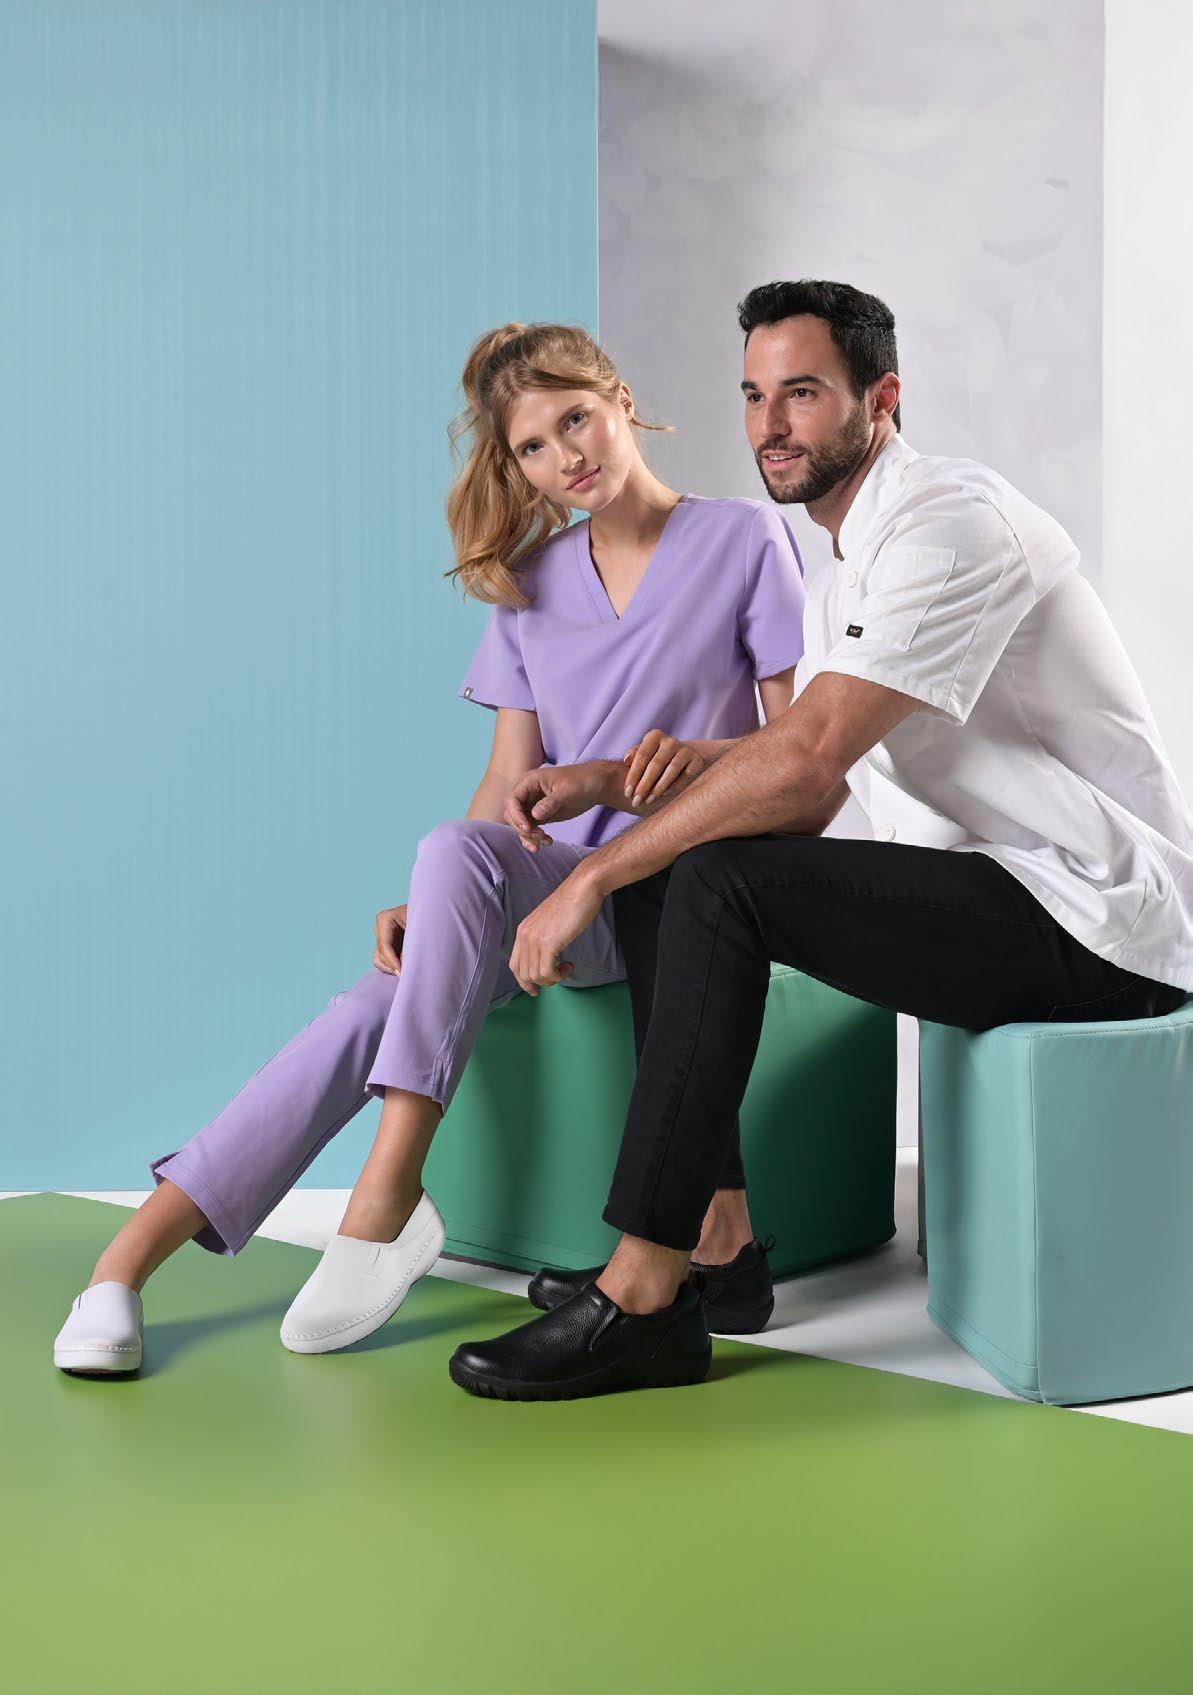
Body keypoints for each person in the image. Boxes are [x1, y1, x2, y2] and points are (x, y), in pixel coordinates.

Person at [447, 278, 1193, 1402]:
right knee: (675, 873)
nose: (769, 425)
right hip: (1003, 888)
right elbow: (801, 767)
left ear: (879, 399)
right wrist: (607, 785)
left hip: (1100, 919)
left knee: (703, 879)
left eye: (801, 393)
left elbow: (803, 764)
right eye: (754, 396)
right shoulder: (844, 556)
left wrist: (589, 873)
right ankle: (717, 1249)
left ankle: (642, 1296)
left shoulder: (947, 524)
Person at [52, 321, 807, 1375]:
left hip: (664, 896)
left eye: (575, 420)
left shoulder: (741, 540)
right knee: (383, 981)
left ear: (621, 401)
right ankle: (125, 1266)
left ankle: (385, 1197)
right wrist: (444, 889)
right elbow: (505, 788)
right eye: (532, 447)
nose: (564, 457)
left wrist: (617, 787)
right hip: (543, 891)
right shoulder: (531, 584)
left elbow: (790, 758)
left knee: (422, 934)